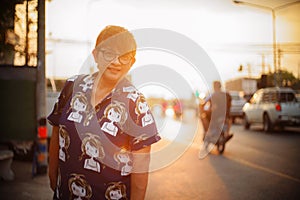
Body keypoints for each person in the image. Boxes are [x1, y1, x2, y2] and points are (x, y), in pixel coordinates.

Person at [47, 25, 161, 200]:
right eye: (109, 53)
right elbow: (57, 131)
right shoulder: (72, 86)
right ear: (95, 55)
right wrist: (52, 174)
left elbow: (140, 170)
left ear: (132, 62)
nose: (116, 62)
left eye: (124, 57)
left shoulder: (136, 104)